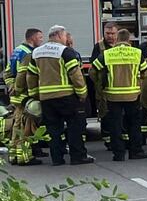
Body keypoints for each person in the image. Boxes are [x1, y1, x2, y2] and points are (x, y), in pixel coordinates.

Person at [25, 25, 92, 166]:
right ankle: (77, 157)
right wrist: (82, 93)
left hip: (46, 99)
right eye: (65, 35)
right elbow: (76, 74)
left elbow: (30, 76)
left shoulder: (36, 52)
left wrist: (35, 94)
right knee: (75, 127)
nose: (66, 38)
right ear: (59, 35)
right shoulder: (65, 51)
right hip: (66, 96)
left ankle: (57, 158)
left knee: (53, 129)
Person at [90, 29, 147, 162]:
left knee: (115, 125)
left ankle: (118, 154)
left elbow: (92, 71)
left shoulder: (107, 54)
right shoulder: (137, 53)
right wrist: (137, 80)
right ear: (129, 40)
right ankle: (136, 151)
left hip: (112, 95)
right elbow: (146, 72)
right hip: (133, 95)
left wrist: (100, 84)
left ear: (117, 39)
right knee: (134, 124)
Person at [6, 28, 45, 166]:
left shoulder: (17, 51)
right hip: (24, 97)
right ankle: (24, 157)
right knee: (25, 129)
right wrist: (18, 89)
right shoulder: (29, 54)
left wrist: (11, 86)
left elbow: (7, 72)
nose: (42, 40)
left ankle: (13, 156)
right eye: (40, 37)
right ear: (32, 38)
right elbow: (24, 76)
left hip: (17, 97)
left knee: (16, 128)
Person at [90, 21, 119, 149]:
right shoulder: (99, 47)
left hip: (120, 87)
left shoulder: (122, 46)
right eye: (107, 33)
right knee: (105, 115)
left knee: (119, 115)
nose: (110, 36)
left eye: (113, 33)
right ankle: (108, 141)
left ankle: (119, 139)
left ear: (117, 33)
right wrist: (98, 84)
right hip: (104, 87)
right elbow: (93, 69)